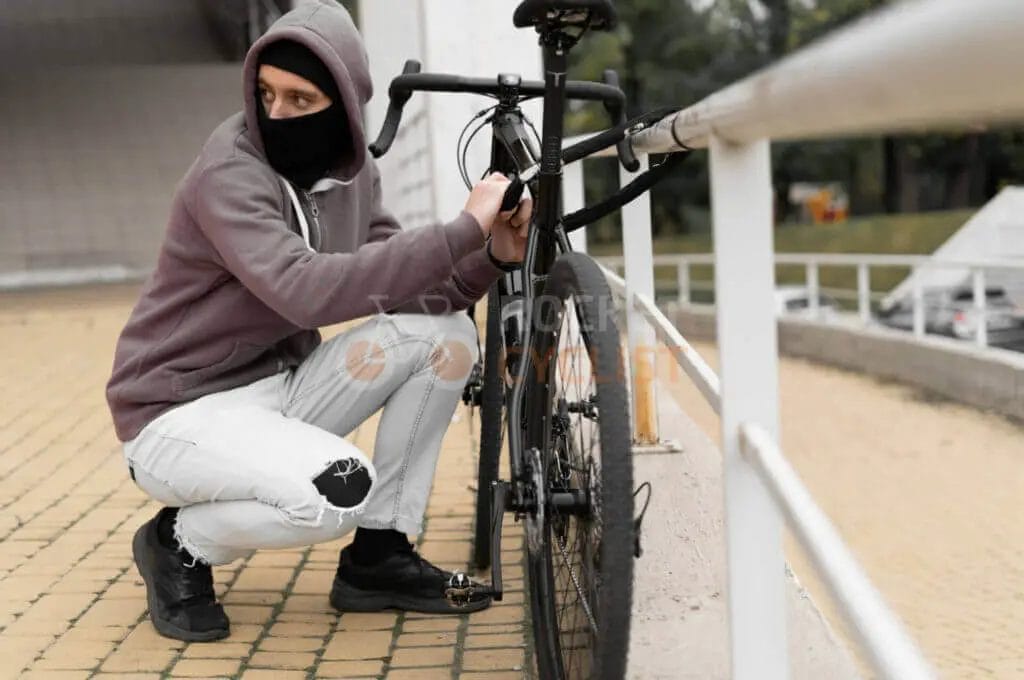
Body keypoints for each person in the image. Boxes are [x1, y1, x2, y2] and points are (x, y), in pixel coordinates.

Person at [105, 0, 530, 642]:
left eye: (300, 101)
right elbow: (302, 291)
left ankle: (379, 557)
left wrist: (490, 254)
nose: (276, 115)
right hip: (176, 417)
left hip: (277, 390)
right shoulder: (228, 172)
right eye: (266, 94)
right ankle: (177, 541)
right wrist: (462, 228)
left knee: (446, 339)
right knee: (337, 491)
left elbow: (412, 288)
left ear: (344, 102)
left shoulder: (352, 174)